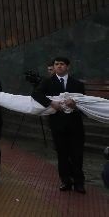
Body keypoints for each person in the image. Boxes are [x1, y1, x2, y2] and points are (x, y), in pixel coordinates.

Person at [32, 56, 87, 194]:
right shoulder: (48, 82)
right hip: (57, 124)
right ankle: (65, 181)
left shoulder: (77, 84)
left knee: (77, 155)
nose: (59, 66)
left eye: (62, 64)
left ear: (67, 67)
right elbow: (36, 93)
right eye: (57, 64)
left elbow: (83, 103)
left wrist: (75, 105)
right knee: (62, 154)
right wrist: (51, 103)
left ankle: (79, 183)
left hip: (75, 126)